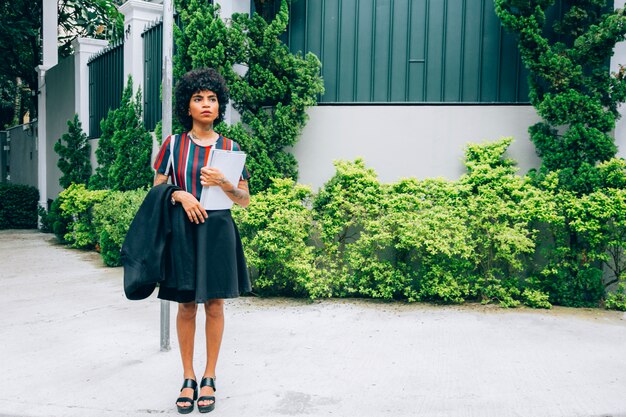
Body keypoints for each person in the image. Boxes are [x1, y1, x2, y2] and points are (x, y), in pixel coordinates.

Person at [152, 67, 251, 414]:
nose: (206, 104)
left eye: (212, 99)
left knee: (215, 305)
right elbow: (157, 190)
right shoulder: (174, 145)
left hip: (218, 233)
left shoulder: (230, 148)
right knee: (186, 305)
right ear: (188, 106)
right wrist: (180, 195)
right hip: (182, 231)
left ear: (219, 106)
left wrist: (224, 182)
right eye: (198, 99)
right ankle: (188, 377)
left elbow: (244, 199)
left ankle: (209, 375)